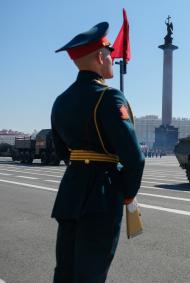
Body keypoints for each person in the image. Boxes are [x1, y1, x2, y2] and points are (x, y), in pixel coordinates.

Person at [51, 22, 145, 283]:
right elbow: (134, 158)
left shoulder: (61, 100)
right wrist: (127, 193)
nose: (113, 58)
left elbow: (62, 151)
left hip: (70, 192)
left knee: (65, 271)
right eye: (110, 53)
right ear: (101, 56)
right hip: (102, 194)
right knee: (91, 273)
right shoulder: (110, 97)